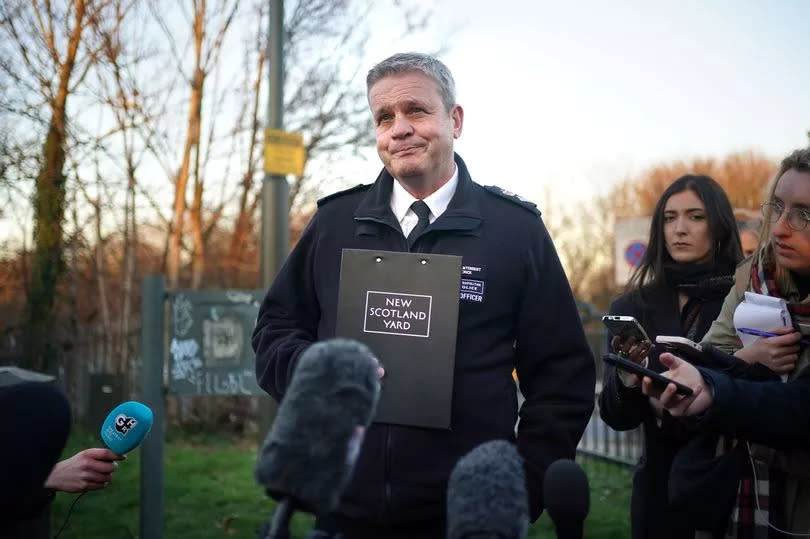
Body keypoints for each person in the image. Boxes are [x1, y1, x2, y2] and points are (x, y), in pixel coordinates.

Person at [252, 52, 595, 539]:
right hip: (343, 509)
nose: (399, 129)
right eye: (384, 117)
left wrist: (522, 487)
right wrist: (318, 371)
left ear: (454, 120)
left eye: (416, 110)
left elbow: (563, 376)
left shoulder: (516, 231)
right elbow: (274, 332)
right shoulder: (334, 223)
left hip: (464, 519)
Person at [655, 146, 810, 536]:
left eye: (804, 215)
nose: (779, 227)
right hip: (744, 489)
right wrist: (742, 362)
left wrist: (719, 389)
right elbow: (711, 356)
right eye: (776, 207)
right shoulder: (754, 276)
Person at [598, 174, 744, 539]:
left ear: (720, 225)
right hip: (658, 497)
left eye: (695, 217)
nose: (679, 228)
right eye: (669, 217)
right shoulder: (633, 305)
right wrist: (627, 378)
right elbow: (615, 416)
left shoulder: (745, 299)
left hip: (730, 488)